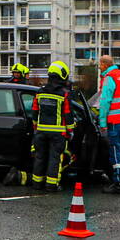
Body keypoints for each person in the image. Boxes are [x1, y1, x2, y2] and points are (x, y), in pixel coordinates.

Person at [28, 61, 75, 192]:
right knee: (54, 159)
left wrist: (35, 127)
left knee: (40, 157)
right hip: (58, 133)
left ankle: (37, 183)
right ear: (62, 75)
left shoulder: (40, 91)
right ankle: (51, 185)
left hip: (41, 131)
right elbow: (68, 113)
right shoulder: (64, 93)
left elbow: (34, 110)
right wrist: (70, 130)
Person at [97, 55, 120, 194]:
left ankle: (117, 182)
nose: (99, 67)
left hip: (114, 120)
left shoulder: (109, 78)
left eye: (100, 64)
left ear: (105, 64)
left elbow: (105, 101)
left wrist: (102, 121)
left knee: (114, 150)